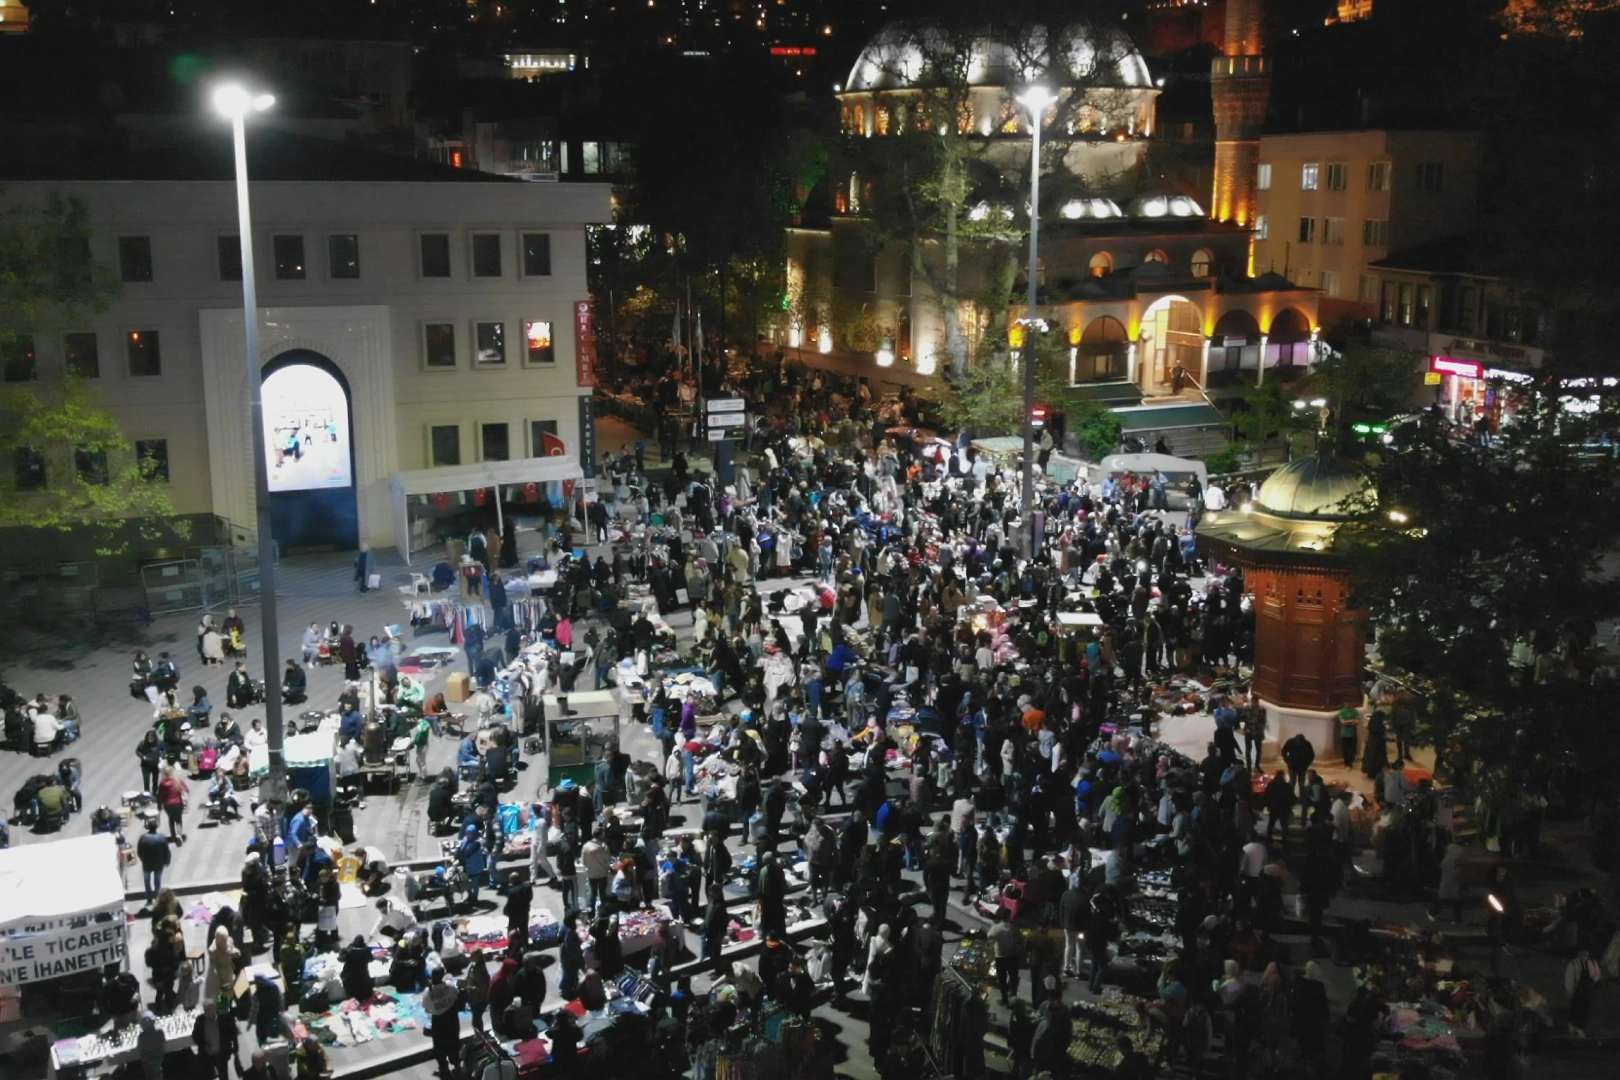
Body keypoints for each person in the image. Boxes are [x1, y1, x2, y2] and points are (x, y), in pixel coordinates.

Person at [423, 969, 462, 1075]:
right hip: (452, 1017)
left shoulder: (428, 992)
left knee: (439, 1045)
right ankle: (457, 1065)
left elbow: (427, 1008)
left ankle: (443, 1067)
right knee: (453, 1041)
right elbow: (456, 995)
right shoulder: (450, 985)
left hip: (439, 1020)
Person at [191, 1000, 240, 1080]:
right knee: (208, 1075)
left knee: (223, 1075)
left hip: (221, 1054)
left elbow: (233, 1034)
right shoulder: (200, 1020)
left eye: (210, 1009)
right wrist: (203, 1045)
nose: (208, 1012)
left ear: (215, 1008)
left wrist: (235, 1048)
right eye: (206, 1010)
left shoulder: (225, 1018)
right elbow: (195, 1036)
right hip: (207, 1055)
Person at [1565, 947, 1601, 1037]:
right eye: (1581, 954)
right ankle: (1575, 1026)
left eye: (1585, 954)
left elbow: (1597, 974)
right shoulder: (1573, 964)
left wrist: (1593, 981)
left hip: (1588, 989)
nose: (1584, 956)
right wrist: (1570, 991)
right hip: (1577, 989)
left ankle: (1579, 1026)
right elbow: (1569, 979)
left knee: (1585, 1008)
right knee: (1576, 1007)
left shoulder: (1592, 962)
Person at [137, 821, 172, 907]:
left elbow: (139, 851)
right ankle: (157, 897)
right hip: (159, 863)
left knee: (147, 881)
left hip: (147, 863)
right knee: (157, 881)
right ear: (156, 827)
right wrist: (167, 861)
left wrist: (143, 859)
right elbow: (166, 851)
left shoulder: (143, 838)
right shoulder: (162, 837)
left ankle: (149, 898)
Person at [157, 764, 190, 844]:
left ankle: (173, 836)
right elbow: (187, 789)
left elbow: (159, 795)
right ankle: (179, 835)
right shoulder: (177, 780)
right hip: (178, 803)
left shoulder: (162, 783)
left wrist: (159, 805)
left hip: (167, 805)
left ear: (164, 773)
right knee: (178, 820)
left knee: (171, 820)